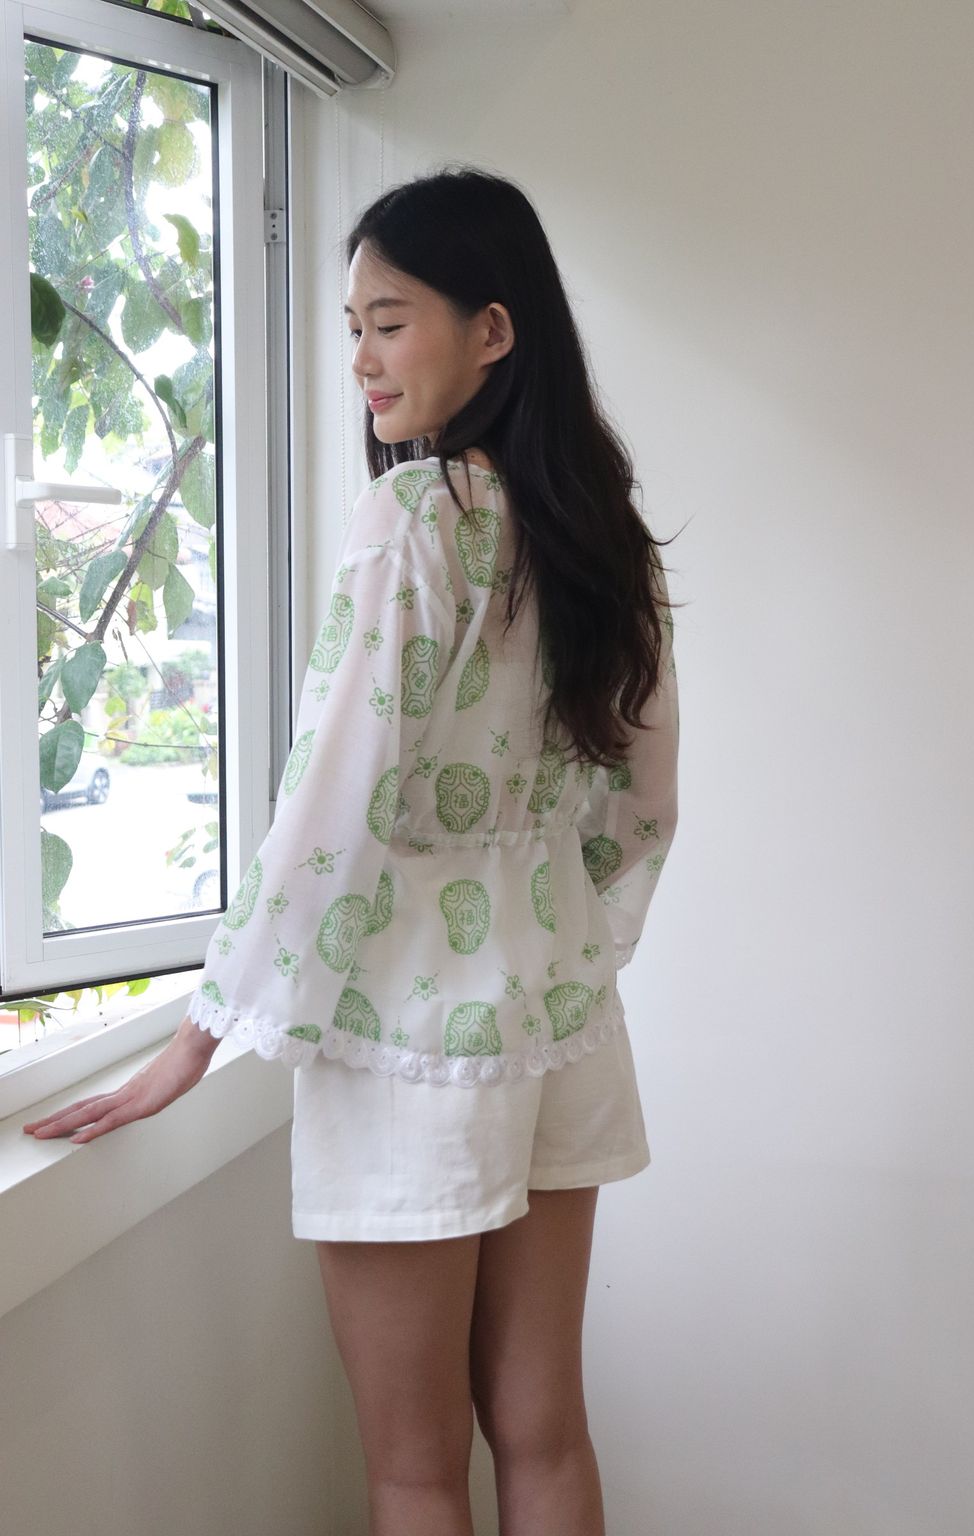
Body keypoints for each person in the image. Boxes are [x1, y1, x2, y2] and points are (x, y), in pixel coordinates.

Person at [23, 166, 681, 1536]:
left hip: (407, 1042)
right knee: (547, 1433)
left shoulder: (418, 519)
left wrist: (199, 1034)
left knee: (414, 1467)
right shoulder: (601, 533)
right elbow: (640, 803)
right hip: (559, 1018)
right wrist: (565, 936)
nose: (365, 360)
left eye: (389, 322)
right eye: (351, 330)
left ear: (492, 330)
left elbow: (333, 802)